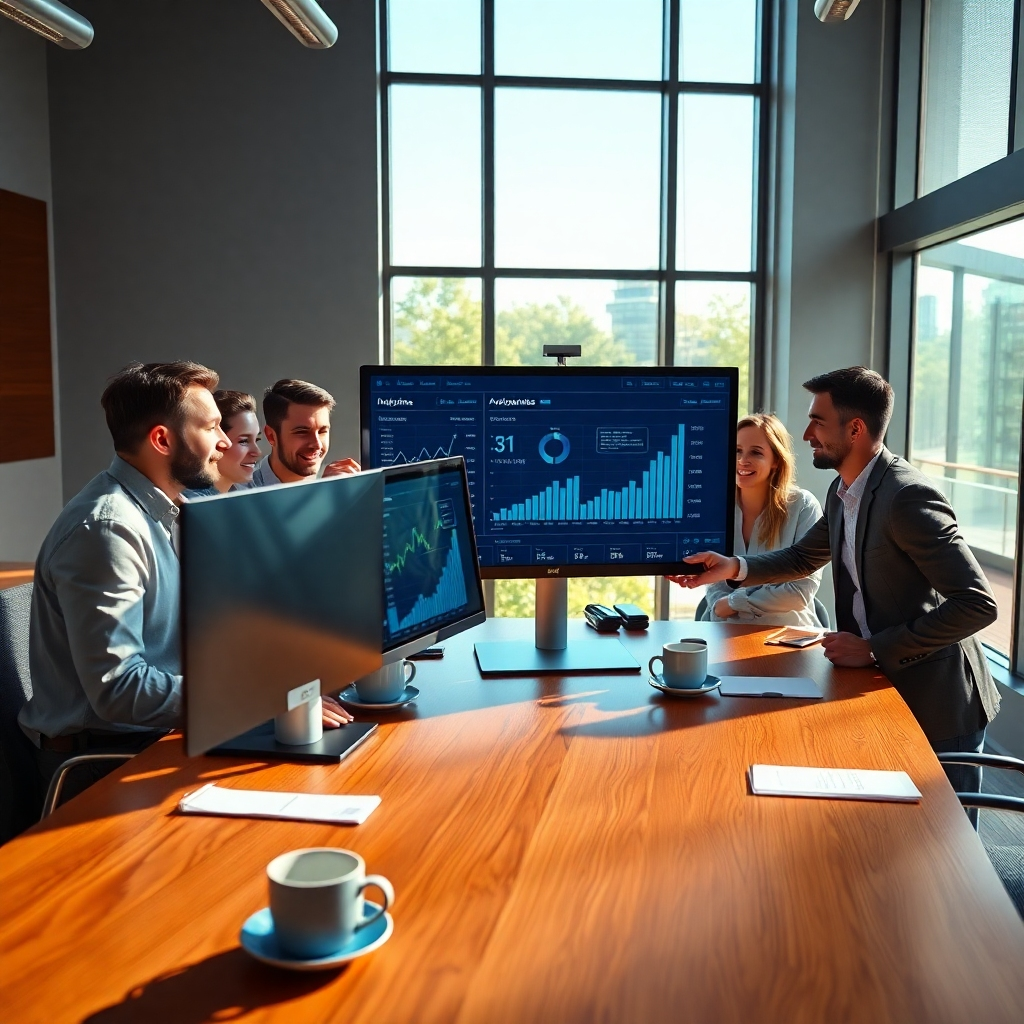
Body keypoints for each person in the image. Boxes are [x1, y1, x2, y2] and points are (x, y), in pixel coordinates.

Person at [670, 367, 999, 815]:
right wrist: (734, 566)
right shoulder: (843, 490)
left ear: (856, 428)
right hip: (881, 686)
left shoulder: (907, 497)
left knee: (953, 854)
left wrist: (873, 648)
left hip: (938, 699)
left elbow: (977, 604)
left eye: (817, 422)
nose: (806, 434)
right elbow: (803, 557)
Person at [20, 362, 353, 798]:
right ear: (162, 440)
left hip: (157, 737)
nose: (223, 442)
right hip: (103, 763)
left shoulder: (166, 511)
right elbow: (120, 690)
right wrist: (259, 698)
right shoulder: (106, 530)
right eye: (213, 427)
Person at [701, 413, 823, 629]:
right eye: (737, 451)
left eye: (755, 452)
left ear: (776, 461)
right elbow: (714, 585)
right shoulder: (715, 507)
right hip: (724, 631)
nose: (742, 460)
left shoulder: (803, 506)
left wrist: (733, 602)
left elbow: (799, 592)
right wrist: (725, 606)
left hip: (787, 636)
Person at [251, 379, 360, 487]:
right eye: (302, 432)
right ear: (271, 436)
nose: (317, 444)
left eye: (322, 431)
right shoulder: (240, 493)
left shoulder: (338, 484)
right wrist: (323, 494)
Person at [183, 390, 264, 497]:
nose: (257, 452)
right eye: (244, 441)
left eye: (256, 440)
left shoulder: (245, 499)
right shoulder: (192, 504)